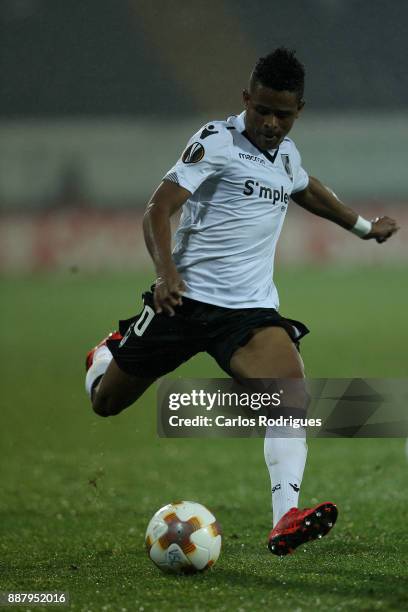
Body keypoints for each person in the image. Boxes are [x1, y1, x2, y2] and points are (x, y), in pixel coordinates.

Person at [84, 48, 399, 556]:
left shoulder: (287, 156)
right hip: (180, 303)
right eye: (263, 110)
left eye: (284, 114)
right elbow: (158, 207)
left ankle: (284, 518)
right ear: (246, 99)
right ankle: (105, 355)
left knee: (290, 398)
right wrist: (165, 273)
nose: (272, 124)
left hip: (249, 314)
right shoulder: (216, 141)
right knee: (106, 403)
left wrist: (363, 228)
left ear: (300, 111)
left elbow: (307, 189)